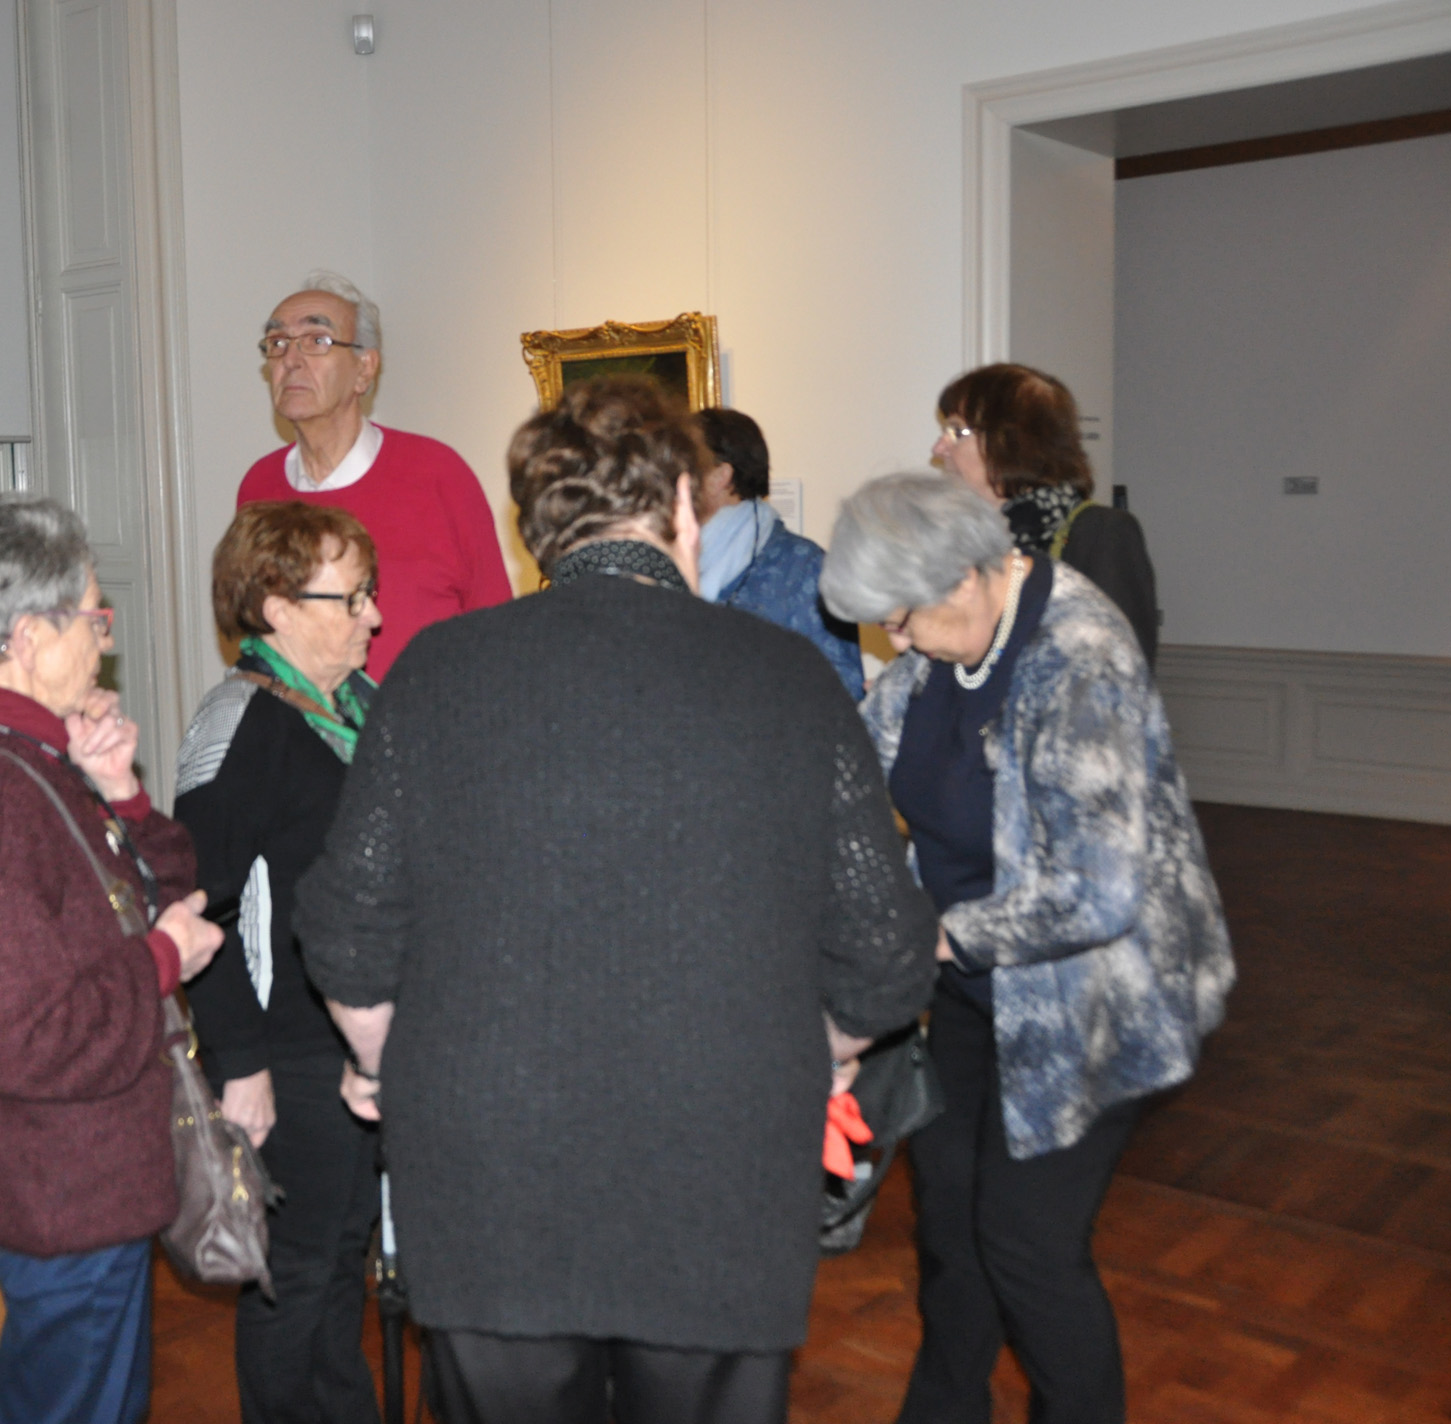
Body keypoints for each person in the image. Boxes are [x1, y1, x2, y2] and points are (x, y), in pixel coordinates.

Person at [295, 376, 939, 1424]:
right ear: (683, 504)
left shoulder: (437, 672)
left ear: (533, 531)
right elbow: (885, 947)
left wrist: (377, 1060)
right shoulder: (787, 677)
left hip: (488, 1168)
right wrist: (816, 1048)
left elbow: (347, 924)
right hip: (719, 1159)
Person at [820, 472, 1234, 1424]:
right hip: (975, 990)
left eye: (901, 618)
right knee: (951, 1228)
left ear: (963, 577)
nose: (895, 642)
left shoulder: (1078, 655)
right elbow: (850, 769)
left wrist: (930, 937)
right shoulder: (937, 655)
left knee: (1026, 1247)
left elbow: (1096, 889)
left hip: (1091, 999)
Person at [0, 493, 225, 1424]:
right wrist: (162, 958)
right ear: (31, 638)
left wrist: (121, 792)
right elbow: (29, 1037)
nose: (103, 642)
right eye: (92, 618)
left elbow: (166, 886)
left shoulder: (25, 757)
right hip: (64, 1190)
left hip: (78, 1181)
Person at [173, 501, 386, 1424]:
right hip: (288, 1052)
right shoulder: (240, 723)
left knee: (341, 1265)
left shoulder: (357, 707)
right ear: (278, 608)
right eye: (353, 598)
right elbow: (201, 904)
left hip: (360, 1036)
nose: (374, 615)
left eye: (370, 593)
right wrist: (241, 1063)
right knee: (292, 1279)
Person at [237, 269, 509, 678]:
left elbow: (498, 632)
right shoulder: (259, 487)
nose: (290, 360)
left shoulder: (438, 474)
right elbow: (257, 641)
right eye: (277, 343)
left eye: (317, 340)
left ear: (364, 369)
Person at [932, 363, 1160, 667]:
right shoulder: (962, 545)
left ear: (1013, 441)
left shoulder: (1100, 532)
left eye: (956, 431)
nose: (939, 448)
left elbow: (1120, 671)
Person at [693, 406, 865, 695]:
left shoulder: (805, 568)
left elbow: (841, 692)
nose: (667, 477)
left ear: (720, 476)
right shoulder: (667, 560)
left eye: (682, 464)